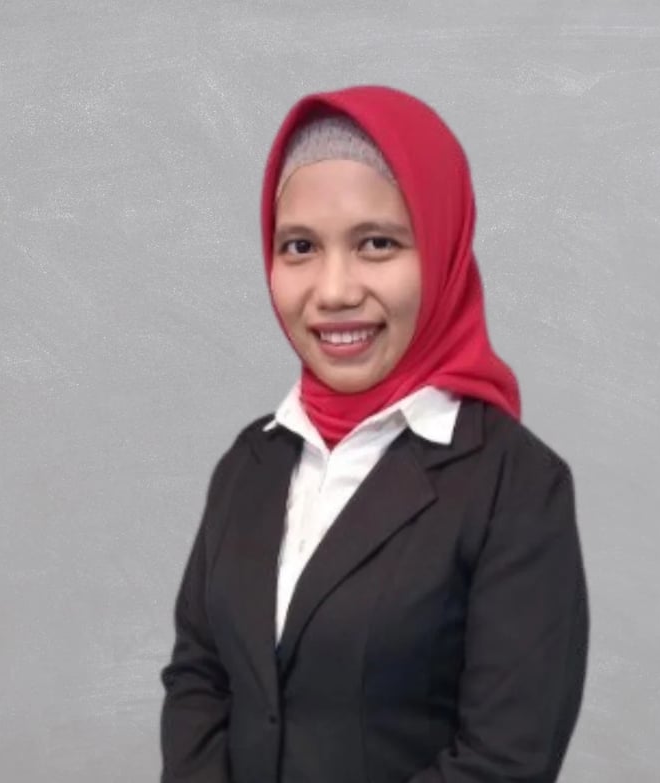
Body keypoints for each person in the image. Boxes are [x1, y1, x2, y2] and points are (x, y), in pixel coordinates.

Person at [159, 84, 589, 783]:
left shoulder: (515, 486)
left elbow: (505, 761)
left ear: (442, 249)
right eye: (300, 246)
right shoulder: (250, 462)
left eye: (377, 244)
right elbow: (200, 677)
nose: (333, 290)